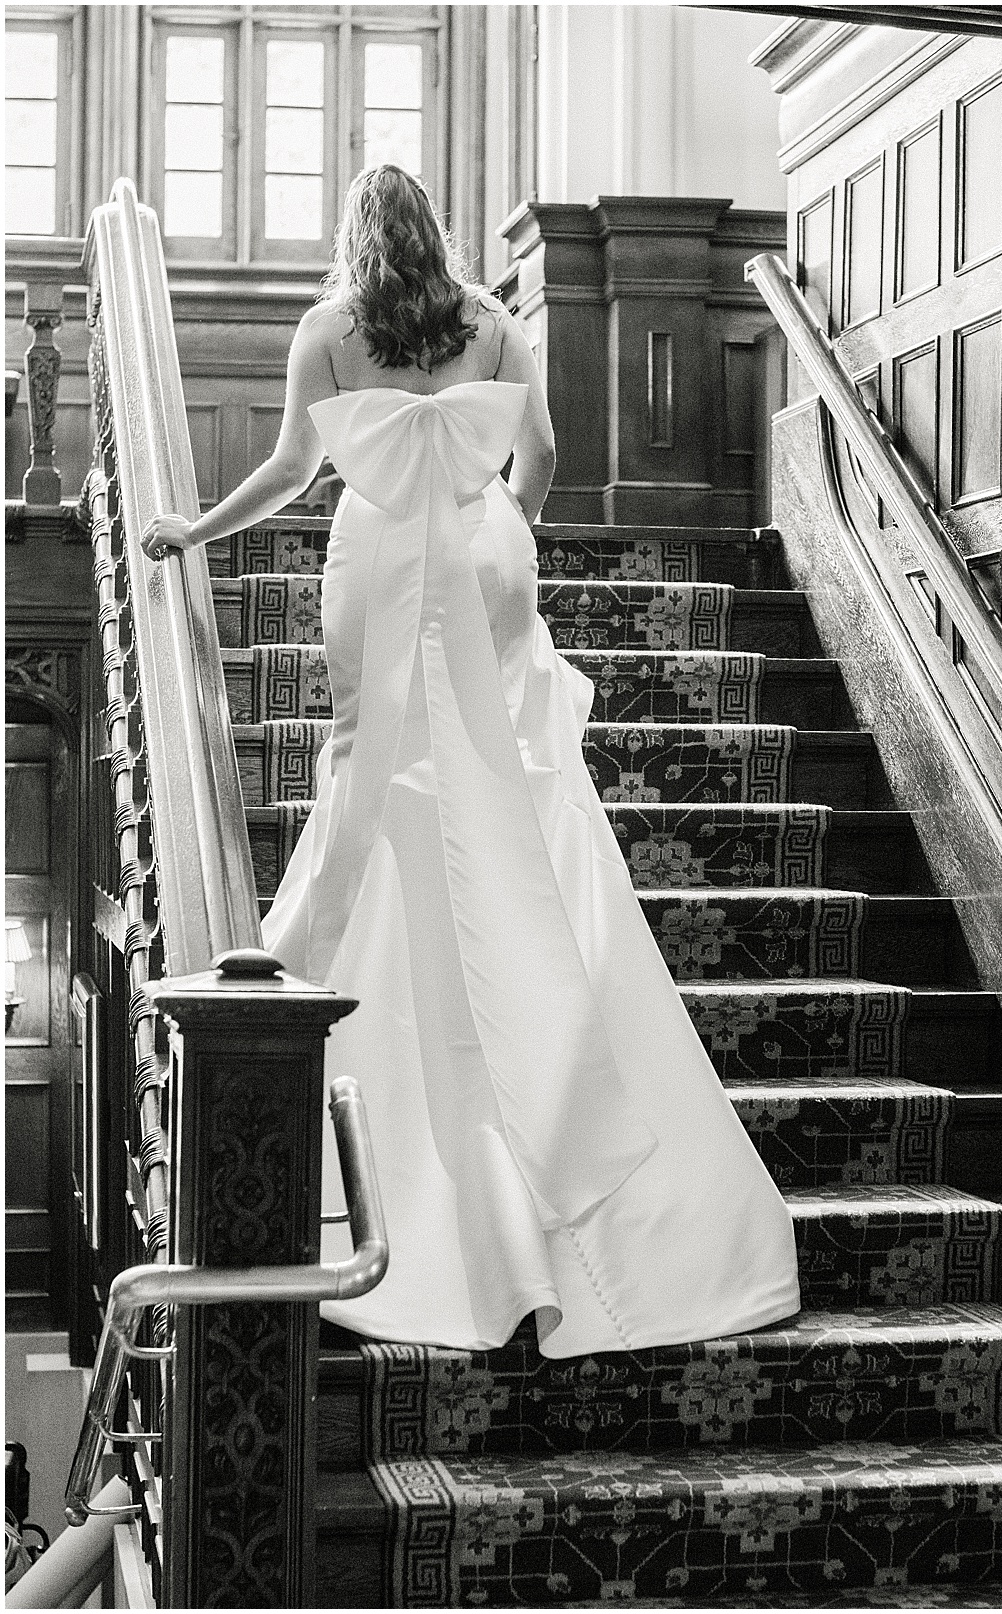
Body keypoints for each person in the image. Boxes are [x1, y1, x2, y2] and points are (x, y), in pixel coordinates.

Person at [142, 164, 800, 1358]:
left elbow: (295, 471)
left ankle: (368, 1008)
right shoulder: (491, 319)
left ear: (355, 239)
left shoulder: (328, 329)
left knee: (374, 762)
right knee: (501, 768)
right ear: (435, 235)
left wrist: (195, 528)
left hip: (383, 555)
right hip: (486, 553)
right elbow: (540, 452)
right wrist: (507, 528)